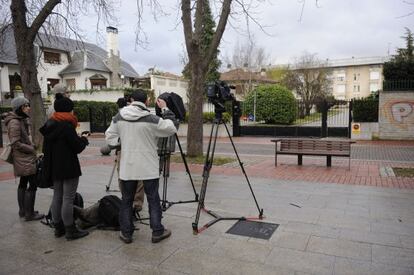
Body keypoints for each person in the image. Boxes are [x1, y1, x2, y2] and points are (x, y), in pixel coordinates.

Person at [105, 90, 177, 244]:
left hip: (127, 166)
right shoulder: (151, 118)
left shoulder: (119, 117)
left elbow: (110, 138)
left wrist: (123, 142)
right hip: (148, 165)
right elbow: (171, 128)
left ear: (131, 100)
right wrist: (165, 109)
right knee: (153, 199)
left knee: (126, 200)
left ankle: (126, 233)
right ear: (147, 101)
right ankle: (157, 231)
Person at [39, 93, 90, 240]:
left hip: (54, 167)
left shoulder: (49, 125)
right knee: (68, 198)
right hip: (68, 167)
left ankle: (58, 228)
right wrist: (84, 139)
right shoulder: (67, 126)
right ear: (69, 110)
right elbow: (77, 147)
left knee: (57, 197)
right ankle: (70, 230)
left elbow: (45, 149)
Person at [4, 97, 44, 221]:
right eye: (26, 105)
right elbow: (15, 143)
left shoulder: (19, 120)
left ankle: (24, 211)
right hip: (24, 158)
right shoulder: (15, 122)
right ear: (20, 108)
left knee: (23, 184)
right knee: (32, 185)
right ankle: (29, 213)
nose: (29, 107)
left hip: (23, 158)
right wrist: (31, 148)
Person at [115, 97, 145, 214]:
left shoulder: (119, 116)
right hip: (135, 149)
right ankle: (136, 203)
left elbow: (111, 135)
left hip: (124, 150)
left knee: (124, 177)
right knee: (139, 179)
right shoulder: (141, 115)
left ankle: (127, 201)